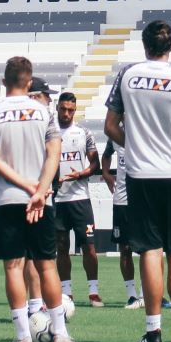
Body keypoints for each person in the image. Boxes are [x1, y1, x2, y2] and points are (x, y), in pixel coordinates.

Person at [104, 19, 171, 342]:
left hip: (140, 174)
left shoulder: (127, 75)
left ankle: (153, 331)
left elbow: (110, 126)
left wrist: (134, 146)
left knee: (149, 251)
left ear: (144, 45)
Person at [0, 57, 70, 342]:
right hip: (41, 200)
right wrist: (40, 190)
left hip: (8, 199)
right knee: (47, 266)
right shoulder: (44, 112)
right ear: (29, 82)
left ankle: (22, 337)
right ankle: (61, 333)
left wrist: (25, 186)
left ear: (4, 81)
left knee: (13, 267)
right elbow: (54, 154)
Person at [51, 91, 104, 308]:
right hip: (57, 199)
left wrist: (80, 174)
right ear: (57, 108)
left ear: (75, 110)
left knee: (89, 247)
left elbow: (95, 165)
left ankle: (93, 292)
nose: (66, 113)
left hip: (80, 198)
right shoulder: (49, 132)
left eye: (70, 110)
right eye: (63, 109)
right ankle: (66, 293)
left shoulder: (84, 133)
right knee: (61, 247)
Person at [99, 138, 141, 308]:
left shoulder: (143, 129)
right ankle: (132, 296)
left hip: (143, 201)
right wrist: (105, 173)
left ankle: (149, 295)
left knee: (149, 249)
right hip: (121, 202)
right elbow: (106, 154)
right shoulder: (115, 136)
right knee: (125, 249)